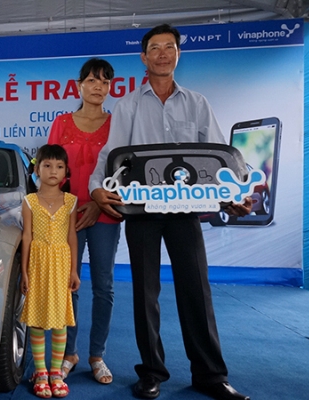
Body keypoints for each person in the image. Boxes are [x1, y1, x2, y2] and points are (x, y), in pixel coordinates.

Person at [88, 24, 252, 400]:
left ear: (178, 54)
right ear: (143, 57)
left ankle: (210, 375)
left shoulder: (197, 103)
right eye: (155, 48)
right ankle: (151, 373)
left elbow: (217, 154)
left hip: (185, 209)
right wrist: (97, 188)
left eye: (169, 47)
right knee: (145, 293)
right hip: (142, 209)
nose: (162, 53)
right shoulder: (128, 105)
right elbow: (111, 154)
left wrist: (235, 191)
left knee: (197, 289)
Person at [47, 57, 121, 385]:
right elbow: (51, 171)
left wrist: (96, 203)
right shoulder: (62, 123)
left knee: (104, 286)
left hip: (106, 214)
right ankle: (69, 353)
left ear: (110, 87)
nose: (98, 87)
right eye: (92, 80)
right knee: (69, 285)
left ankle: (97, 355)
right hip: (67, 217)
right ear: (79, 86)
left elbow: (123, 172)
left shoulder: (117, 124)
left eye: (104, 81)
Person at [20, 144, 80, 398]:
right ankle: (41, 372)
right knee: (36, 318)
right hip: (37, 263)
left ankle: (56, 372)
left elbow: (72, 236)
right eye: (47, 165)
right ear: (37, 169)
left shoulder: (71, 201)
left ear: (66, 171)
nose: (53, 171)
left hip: (61, 264)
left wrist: (74, 270)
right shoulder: (29, 201)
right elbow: (26, 236)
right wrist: (24, 271)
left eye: (59, 166)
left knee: (59, 319)